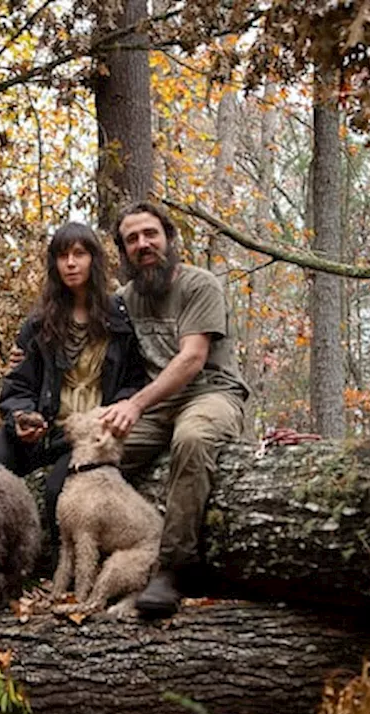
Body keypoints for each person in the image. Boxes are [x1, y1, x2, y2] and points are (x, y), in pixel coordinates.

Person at [98, 201, 250, 618]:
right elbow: (80, 337)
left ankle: (174, 570)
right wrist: (30, 357)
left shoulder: (201, 285)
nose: (143, 244)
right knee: (101, 452)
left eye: (150, 234)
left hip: (211, 393)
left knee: (193, 438)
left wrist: (135, 403)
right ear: (124, 251)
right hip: (157, 405)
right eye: (132, 239)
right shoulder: (125, 299)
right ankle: (112, 558)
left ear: (169, 238)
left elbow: (191, 360)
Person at [0, 221, 148, 536]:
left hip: (84, 436)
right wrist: (21, 416)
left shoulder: (119, 321)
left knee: (57, 494)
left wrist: (111, 418)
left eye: (79, 254)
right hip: (39, 429)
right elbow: (18, 384)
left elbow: (134, 382)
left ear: (93, 260)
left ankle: (53, 578)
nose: (70, 263)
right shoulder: (39, 323)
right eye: (62, 256)